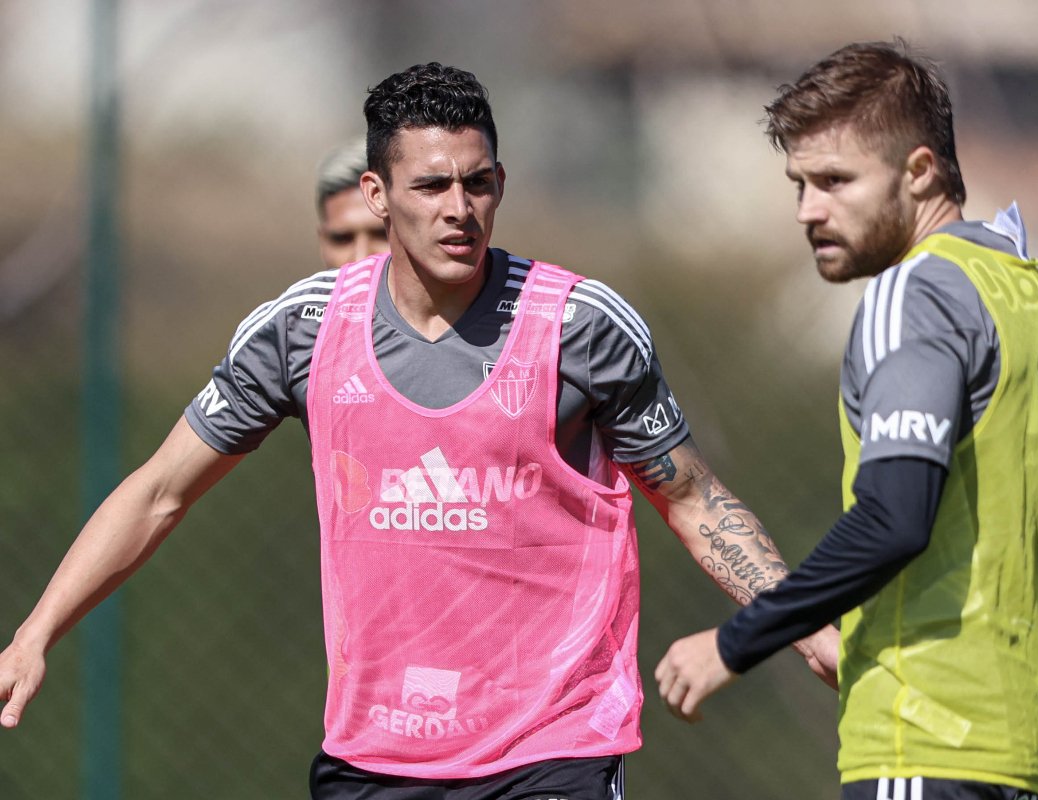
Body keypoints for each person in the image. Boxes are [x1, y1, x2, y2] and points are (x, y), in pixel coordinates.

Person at [0, 63, 837, 799]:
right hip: (377, 753)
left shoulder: (579, 327)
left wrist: (799, 623)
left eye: (477, 184)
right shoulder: (302, 332)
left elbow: (693, 498)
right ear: (377, 195)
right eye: (431, 187)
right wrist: (35, 634)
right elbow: (157, 492)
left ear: (501, 185)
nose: (459, 209)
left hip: (551, 746)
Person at [654, 40, 1038, 800]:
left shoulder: (913, 295)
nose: (807, 211)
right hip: (1031, 764)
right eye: (799, 184)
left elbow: (895, 517)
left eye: (834, 181)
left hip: (920, 746)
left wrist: (737, 642)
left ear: (919, 172)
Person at [316, 137, 389, 269]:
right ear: (323, 243)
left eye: (384, 235)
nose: (360, 258)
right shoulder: (304, 290)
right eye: (342, 239)